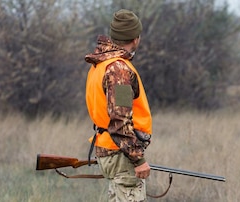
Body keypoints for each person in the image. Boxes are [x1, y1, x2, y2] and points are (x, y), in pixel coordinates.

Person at [84, 9, 153, 202]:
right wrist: (138, 159)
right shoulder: (119, 71)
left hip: (109, 149)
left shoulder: (100, 64)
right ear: (135, 38)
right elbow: (120, 119)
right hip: (122, 154)